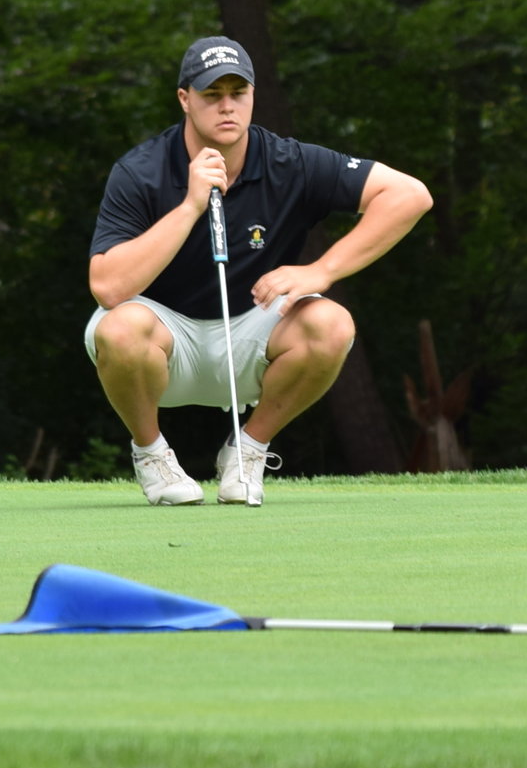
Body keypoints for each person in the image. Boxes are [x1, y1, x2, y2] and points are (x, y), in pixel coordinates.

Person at [85, 38, 433, 506]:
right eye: (211, 94)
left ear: (253, 95)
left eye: (238, 92)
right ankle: (152, 456)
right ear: (185, 99)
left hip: (252, 334)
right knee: (119, 328)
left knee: (332, 324)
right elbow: (108, 287)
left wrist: (322, 270)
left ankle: (248, 450)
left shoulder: (289, 162)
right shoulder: (141, 171)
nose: (227, 106)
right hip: (163, 338)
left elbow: (410, 196)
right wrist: (190, 205)